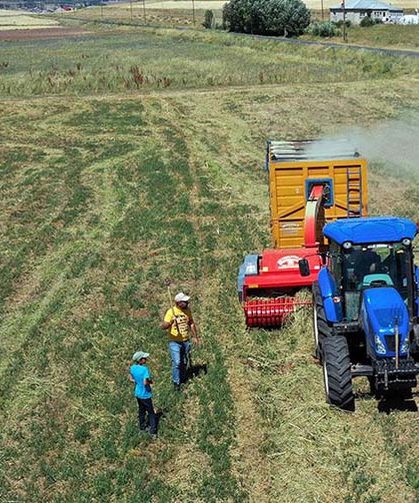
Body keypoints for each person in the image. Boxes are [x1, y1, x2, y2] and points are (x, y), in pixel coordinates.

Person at [160, 292, 200, 391]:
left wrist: (195, 337)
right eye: (185, 301)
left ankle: (182, 379)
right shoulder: (171, 312)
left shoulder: (187, 311)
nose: (187, 302)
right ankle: (176, 383)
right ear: (178, 303)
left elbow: (191, 323)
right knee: (177, 362)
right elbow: (163, 326)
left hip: (186, 340)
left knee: (184, 361)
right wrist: (170, 323)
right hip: (174, 342)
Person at [129, 351, 157, 439]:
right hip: (145, 394)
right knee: (151, 413)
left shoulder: (132, 367)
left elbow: (131, 378)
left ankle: (142, 428)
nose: (146, 359)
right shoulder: (144, 369)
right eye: (144, 358)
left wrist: (137, 381)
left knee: (141, 411)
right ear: (140, 360)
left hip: (138, 393)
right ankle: (153, 431)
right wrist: (150, 382)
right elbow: (145, 382)